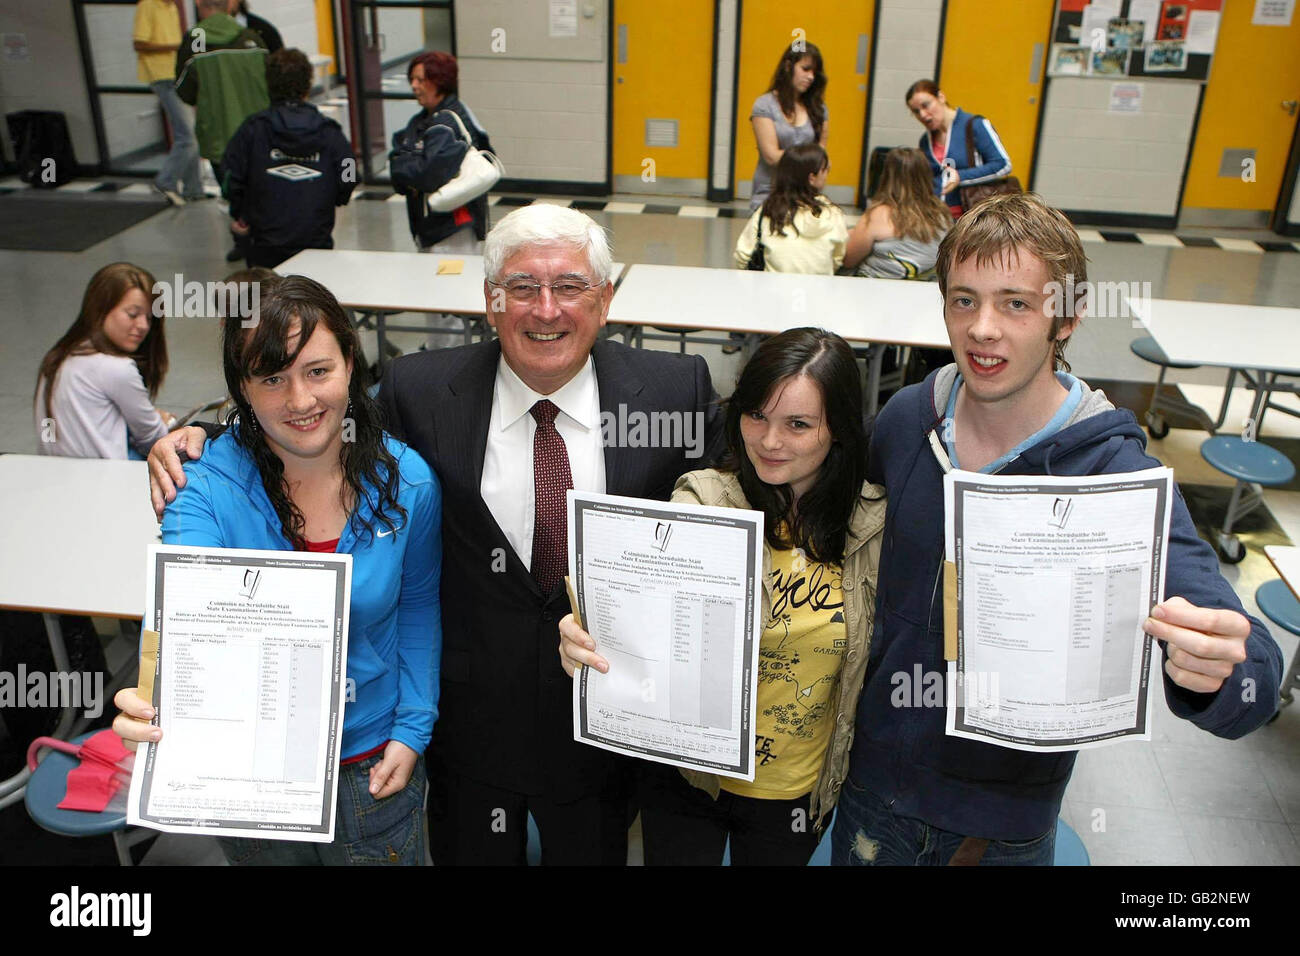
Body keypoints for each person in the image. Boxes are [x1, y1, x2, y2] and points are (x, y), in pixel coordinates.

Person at [145, 204, 726, 866]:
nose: (545, 310)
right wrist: (206, 440)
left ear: (606, 298)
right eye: (521, 288)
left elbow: (725, 503)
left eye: (569, 287)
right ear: (489, 301)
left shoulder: (672, 393)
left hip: (601, 726)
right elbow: (318, 425)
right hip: (465, 731)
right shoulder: (420, 389)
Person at [832, 193, 1283, 866]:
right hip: (871, 790)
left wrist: (1219, 671)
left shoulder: (1116, 475)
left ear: (1065, 317)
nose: (982, 328)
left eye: (1016, 303)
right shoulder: (905, 422)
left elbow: (1254, 678)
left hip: (1000, 827)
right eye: (963, 300)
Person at [114, 274, 443, 866]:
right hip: (249, 768)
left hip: (370, 766)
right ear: (242, 388)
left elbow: (418, 607)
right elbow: (183, 611)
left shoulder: (408, 482)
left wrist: (412, 729)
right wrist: (152, 693)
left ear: (351, 361)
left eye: (318, 371)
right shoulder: (203, 487)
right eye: (271, 379)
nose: (299, 401)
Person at [558, 328, 886, 865]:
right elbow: (643, 632)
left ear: (839, 431)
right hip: (689, 778)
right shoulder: (704, 501)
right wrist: (584, 646)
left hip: (794, 792)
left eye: (798, 424)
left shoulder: (872, 524)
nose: (769, 441)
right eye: (756, 415)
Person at [222, 48, 357, 269]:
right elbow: (350, 172)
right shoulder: (329, 132)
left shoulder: (252, 130)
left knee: (267, 299)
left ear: (269, 84)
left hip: (264, 244)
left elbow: (230, 178)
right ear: (307, 85)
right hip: (316, 240)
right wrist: (336, 197)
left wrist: (240, 212)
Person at [34, 262, 172, 459]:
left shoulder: (59, 355)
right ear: (100, 310)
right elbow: (154, 439)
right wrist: (167, 422)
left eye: (149, 318)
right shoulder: (116, 367)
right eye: (132, 314)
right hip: (107, 477)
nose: (143, 326)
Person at [175, 0, 269, 261]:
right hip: (258, 132)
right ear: (230, 5)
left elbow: (184, 89)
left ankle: (242, 240)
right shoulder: (252, 39)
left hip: (218, 133)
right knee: (260, 187)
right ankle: (265, 237)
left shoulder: (195, 40)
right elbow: (271, 83)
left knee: (232, 192)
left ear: (199, 4)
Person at [396, 50, 493, 254]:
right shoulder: (422, 120)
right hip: (430, 225)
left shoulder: (447, 123)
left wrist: (404, 167)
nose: (414, 86)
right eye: (412, 79)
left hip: (452, 229)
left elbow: (428, 176)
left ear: (440, 81)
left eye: (421, 80)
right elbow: (401, 168)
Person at [734, 144, 846, 275]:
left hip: (772, 292)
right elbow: (837, 259)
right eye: (826, 170)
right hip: (818, 292)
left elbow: (742, 255)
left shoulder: (769, 210)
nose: (827, 175)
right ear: (812, 178)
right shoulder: (833, 214)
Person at [905, 79, 1011, 218]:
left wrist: (961, 177)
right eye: (916, 111)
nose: (923, 115)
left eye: (926, 105)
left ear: (941, 97)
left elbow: (1003, 164)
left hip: (972, 215)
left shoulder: (975, 125)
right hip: (938, 217)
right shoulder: (925, 140)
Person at [843, 146, 951, 280]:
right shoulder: (942, 214)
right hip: (924, 291)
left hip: (875, 290)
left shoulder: (879, 214)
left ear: (887, 177)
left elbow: (849, 260)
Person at [133, 0, 203, 205]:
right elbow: (140, 44)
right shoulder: (147, 5)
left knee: (192, 133)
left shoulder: (171, 7)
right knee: (187, 136)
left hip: (177, 75)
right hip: (162, 76)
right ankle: (166, 181)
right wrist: (177, 46)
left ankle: (193, 189)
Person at [749, 42, 829, 212]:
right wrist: (809, 159)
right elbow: (771, 156)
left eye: (814, 72)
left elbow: (821, 155)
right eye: (806, 69)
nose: (811, 77)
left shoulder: (819, 109)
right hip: (770, 192)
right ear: (788, 66)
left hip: (807, 194)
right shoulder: (765, 106)